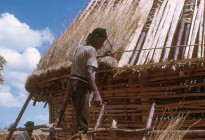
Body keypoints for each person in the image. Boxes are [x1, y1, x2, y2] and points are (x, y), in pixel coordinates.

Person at [69, 27, 109, 134]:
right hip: (81, 85)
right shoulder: (92, 50)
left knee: (79, 119)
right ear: (96, 37)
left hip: (72, 84)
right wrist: (96, 93)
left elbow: (87, 58)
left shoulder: (80, 48)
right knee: (83, 125)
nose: (102, 44)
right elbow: (89, 72)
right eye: (102, 41)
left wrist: (102, 56)